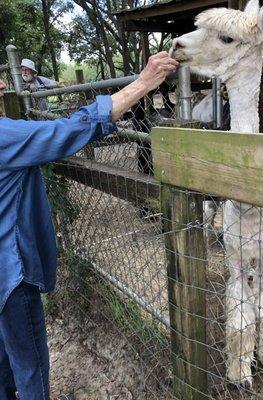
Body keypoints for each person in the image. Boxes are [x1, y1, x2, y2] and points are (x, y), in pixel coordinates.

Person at [0, 51, 178, 400]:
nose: (3, 83)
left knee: (6, 358)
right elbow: (68, 130)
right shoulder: (5, 136)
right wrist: (142, 83)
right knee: (31, 365)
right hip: (10, 274)